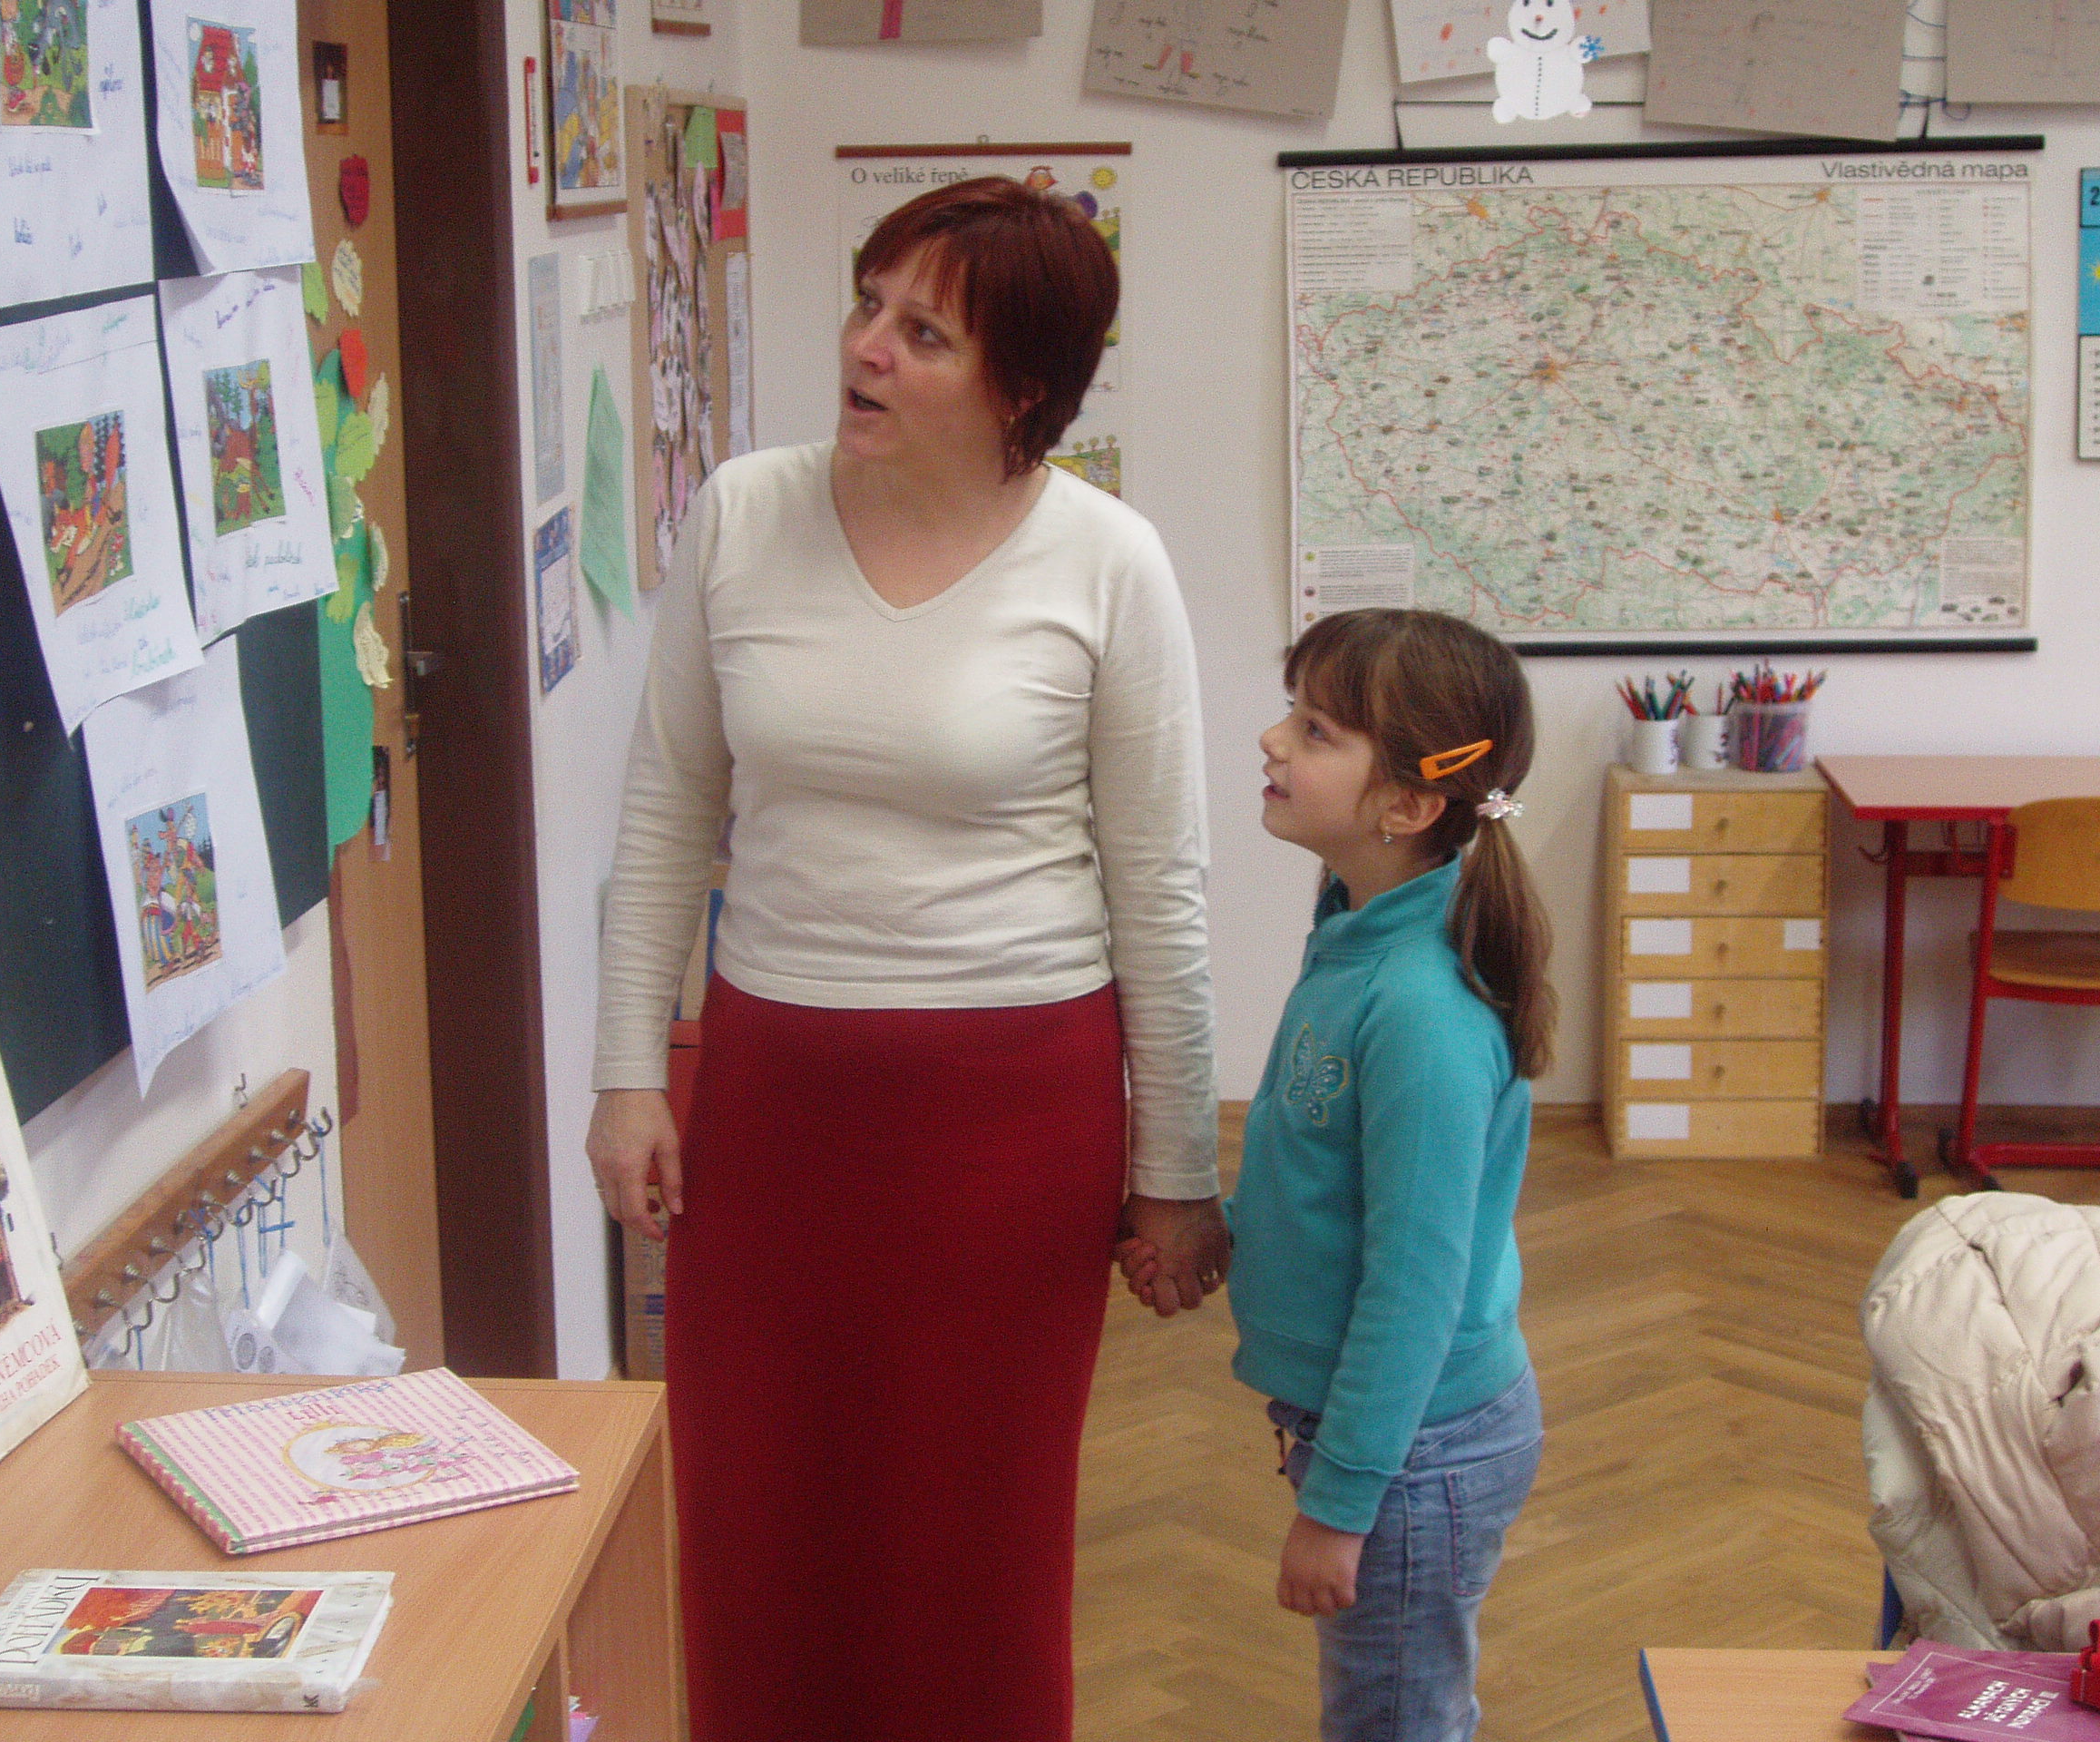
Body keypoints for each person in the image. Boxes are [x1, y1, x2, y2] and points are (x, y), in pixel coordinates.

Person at [585, 176, 1228, 1742]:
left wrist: (1175, 1170)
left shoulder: (1107, 560)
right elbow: (665, 811)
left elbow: (1161, 888)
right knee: (758, 1521)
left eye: (923, 334)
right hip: (775, 1099)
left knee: (969, 1546)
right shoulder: (744, 512)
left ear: (1024, 389)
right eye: (868, 306)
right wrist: (625, 1074)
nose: (866, 348)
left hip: (1008, 1118)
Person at [1123, 607, 1552, 1742]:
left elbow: (1415, 1283)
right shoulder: (1357, 933)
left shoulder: (1419, 1008)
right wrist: (1225, 1226)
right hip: (1391, 1440)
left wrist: (1342, 1503)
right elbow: (1330, 1175)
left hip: (1414, 1456)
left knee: (1394, 1724)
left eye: (1315, 730)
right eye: (1293, 714)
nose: (1272, 740)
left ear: (1406, 806)